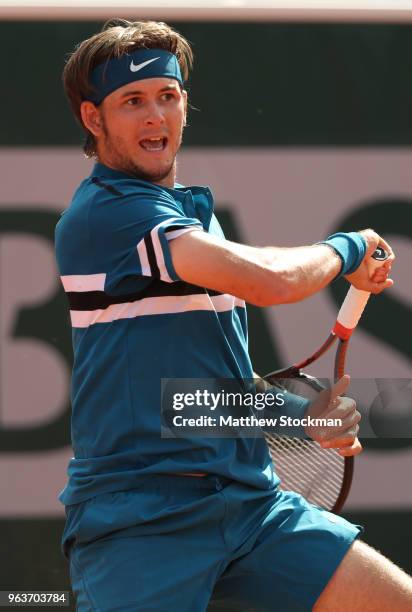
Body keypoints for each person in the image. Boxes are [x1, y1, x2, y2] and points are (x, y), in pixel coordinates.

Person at [55, 19, 412, 612]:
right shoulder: (105, 216)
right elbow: (269, 281)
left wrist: (303, 416)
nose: (155, 117)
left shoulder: (193, 218)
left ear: (185, 106)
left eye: (167, 97)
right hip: (142, 523)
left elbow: (198, 397)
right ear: (94, 119)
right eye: (132, 102)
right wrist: (347, 248)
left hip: (252, 509)